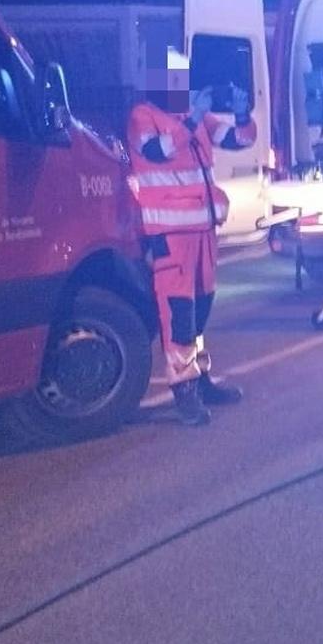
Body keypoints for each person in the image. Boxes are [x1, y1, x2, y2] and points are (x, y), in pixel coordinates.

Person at [127, 70, 256, 426]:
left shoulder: (193, 117)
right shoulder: (143, 116)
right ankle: (184, 389)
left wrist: (242, 113)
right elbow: (158, 151)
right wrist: (194, 118)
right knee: (179, 311)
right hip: (171, 232)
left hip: (203, 229)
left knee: (201, 308)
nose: (182, 87)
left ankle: (200, 378)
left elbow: (238, 139)